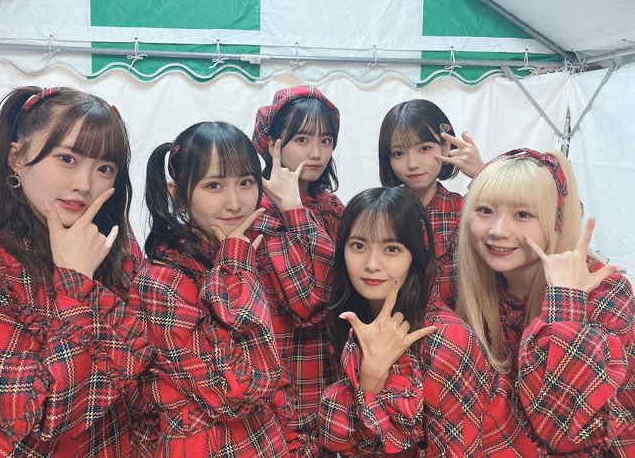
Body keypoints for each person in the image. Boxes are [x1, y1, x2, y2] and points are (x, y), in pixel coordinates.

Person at [0, 86, 151, 457]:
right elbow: (46, 416)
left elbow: (149, 359)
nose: (84, 184)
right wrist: (76, 283)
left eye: (104, 168)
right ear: (16, 157)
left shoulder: (111, 242)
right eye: (67, 158)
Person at [456, 148, 634, 456]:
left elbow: (566, 431)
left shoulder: (606, 290)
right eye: (485, 210)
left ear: (556, 222)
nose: (498, 231)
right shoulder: (480, 285)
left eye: (523, 215)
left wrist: (565, 302)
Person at [131, 121, 291, 457]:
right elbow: (236, 392)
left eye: (245, 182)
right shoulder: (161, 281)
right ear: (178, 193)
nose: (235, 203)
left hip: (264, 444)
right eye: (214, 185)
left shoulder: (247, 252)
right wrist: (235, 265)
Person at [319, 186, 513, 457]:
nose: (372, 264)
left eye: (391, 249)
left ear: (415, 257)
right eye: (358, 246)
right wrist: (370, 378)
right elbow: (343, 440)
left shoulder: (444, 339)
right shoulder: (352, 321)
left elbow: (458, 451)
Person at [252, 86, 340, 455]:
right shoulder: (257, 211)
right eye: (302, 139)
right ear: (273, 145)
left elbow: (344, 289)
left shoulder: (332, 207)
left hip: (331, 376)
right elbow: (309, 299)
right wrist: (293, 210)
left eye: (325, 140)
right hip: (284, 381)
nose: (316, 152)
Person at [378, 99, 483, 308]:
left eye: (424, 148)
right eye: (398, 153)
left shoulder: (465, 211)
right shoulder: (380, 214)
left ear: (446, 147)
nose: (412, 164)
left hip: (457, 325)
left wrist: (482, 174)